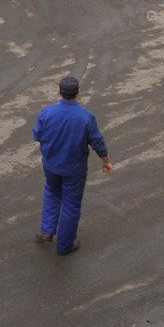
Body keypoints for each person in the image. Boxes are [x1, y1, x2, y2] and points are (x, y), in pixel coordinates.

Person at [33, 75, 112, 256]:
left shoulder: (47, 113)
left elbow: (37, 134)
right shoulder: (86, 117)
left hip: (51, 165)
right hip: (74, 169)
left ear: (59, 92)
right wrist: (106, 160)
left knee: (52, 192)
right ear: (78, 93)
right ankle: (65, 245)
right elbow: (97, 141)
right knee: (71, 204)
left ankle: (47, 229)